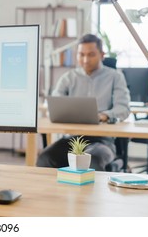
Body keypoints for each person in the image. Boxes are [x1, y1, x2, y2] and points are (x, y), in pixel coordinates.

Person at [37, 34, 131, 171]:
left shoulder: (115, 77)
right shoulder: (68, 78)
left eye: (91, 54)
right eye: (81, 54)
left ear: (102, 55)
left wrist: (104, 115)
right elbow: (55, 105)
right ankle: (52, 193)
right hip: (72, 139)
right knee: (45, 158)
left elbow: (123, 108)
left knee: (92, 161)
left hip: (102, 141)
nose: (85, 60)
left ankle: (88, 193)